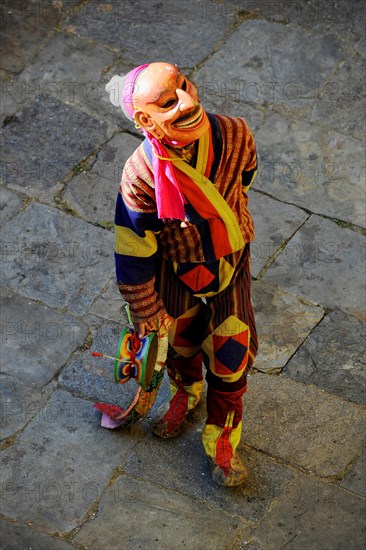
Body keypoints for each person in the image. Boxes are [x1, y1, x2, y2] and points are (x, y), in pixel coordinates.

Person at [105, 62, 258, 486]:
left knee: (231, 349)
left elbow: (244, 178)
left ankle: (222, 436)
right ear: (144, 119)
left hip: (231, 261)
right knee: (182, 342)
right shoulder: (140, 174)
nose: (189, 102)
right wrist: (147, 310)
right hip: (175, 267)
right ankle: (185, 394)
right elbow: (133, 250)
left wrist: (225, 226)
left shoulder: (235, 133)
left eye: (185, 86)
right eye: (168, 102)